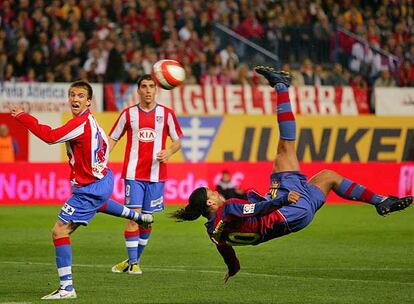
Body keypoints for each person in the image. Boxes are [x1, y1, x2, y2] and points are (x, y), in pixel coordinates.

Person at [172, 66, 413, 283]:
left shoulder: (212, 231)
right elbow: (258, 210)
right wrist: (282, 200)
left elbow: (228, 253)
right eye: (212, 192)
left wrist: (233, 269)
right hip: (285, 210)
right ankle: (281, 86)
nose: (216, 191)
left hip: (291, 217)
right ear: (211, 202)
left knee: (326, 175)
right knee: (287, 146)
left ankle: (382, 201)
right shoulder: (229, 207)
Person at [11, 80, 153, 300]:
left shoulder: (80, 124)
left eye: (80, 96)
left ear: (88, 101)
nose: (75, 99)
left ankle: (67, 288)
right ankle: (137, 216)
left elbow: (50, 136)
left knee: (59, 231)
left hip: (90, 188)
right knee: (98, 205)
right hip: (103, 180)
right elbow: (104, 147)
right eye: (72, 95)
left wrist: (22, 116)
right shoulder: (92, 123)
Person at [110, 74, 183, 275]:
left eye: (152, 86)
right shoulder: (128, 114)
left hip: (157, 175)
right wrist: (102, 157)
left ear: (156, 90)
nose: (148, 90)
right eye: (144, 86)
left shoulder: (167, 114)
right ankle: (134, 264)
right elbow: (113, 137)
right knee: (134, 217)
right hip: (133, 175)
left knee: (147, 220)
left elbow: (177, 141)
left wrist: (169, 151)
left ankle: (132, 260)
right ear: (139, 90)